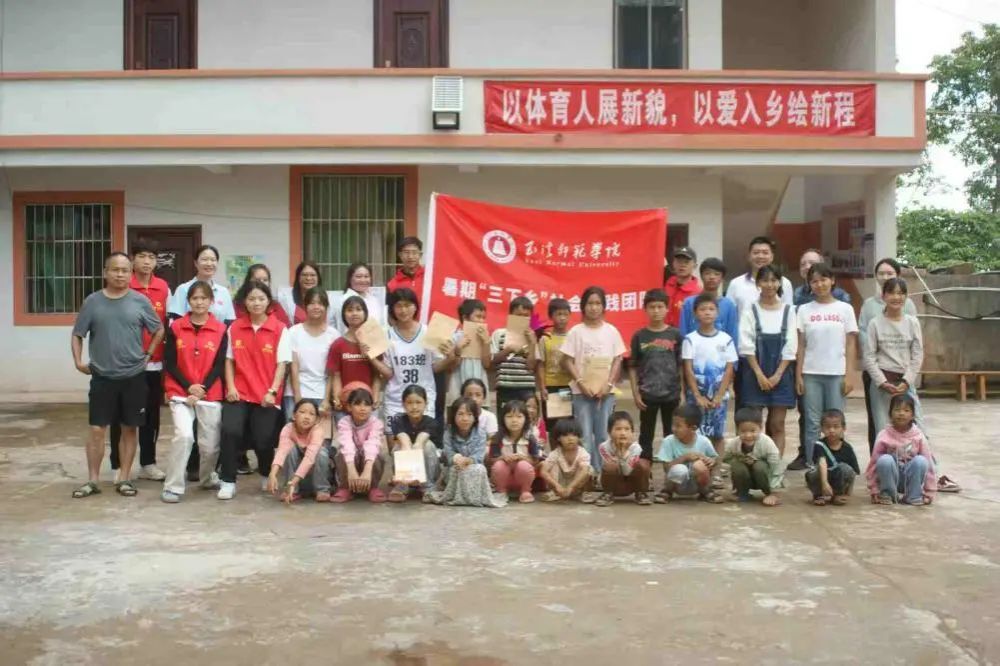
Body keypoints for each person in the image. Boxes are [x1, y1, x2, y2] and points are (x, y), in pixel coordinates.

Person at [70, 253, 165, 499]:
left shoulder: (140, 301)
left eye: (125, 270)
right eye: (115, 270)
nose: (120, 274)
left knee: (129, 429)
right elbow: (78, 334)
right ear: (105, 272)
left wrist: (148, 355)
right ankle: (93, 480)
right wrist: (78, 362)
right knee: (97, 429)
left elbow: (158, 329)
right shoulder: (92, 301)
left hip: (134, 376)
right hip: (102, 376)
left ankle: (124, 478)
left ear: (130, 273)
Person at [217, 281, 290, 500]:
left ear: (268, 301)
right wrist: (230, 387)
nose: (256, 303)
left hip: (266, 394)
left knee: (263, 438)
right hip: (239, 392)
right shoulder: (235, 328)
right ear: (244, 302)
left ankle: (266, 473)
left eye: (261, 298)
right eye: (251, 299)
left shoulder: (279, 328)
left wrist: (272, 391)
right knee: (230, 431)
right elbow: (229, 360)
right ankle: (227, 480)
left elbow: (282, 364)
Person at [108, 242, 171, 482]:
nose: (146, 261)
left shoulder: (163, 287)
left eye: (151, 257)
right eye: (142, 256)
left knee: (150, 416)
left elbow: (167, 325)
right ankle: (117, 464)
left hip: (153, 363)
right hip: (124, 364)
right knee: (120, 415)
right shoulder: (123, 284)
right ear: (133, 259)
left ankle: (148, 463)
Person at [160, 281, 226, 503]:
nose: (199, 302)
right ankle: (173, 486)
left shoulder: (221, 329)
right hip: (180, 391)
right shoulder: (176, 327)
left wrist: (202, 388)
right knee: (184, 436)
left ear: (211, 301)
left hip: (210, 392)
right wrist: (189, 386)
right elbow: (170, 362)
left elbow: (219, 364)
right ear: (188, 301)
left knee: (210, 444)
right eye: (195, 298)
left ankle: (207, 478)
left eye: (203, 298)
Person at [795, 263, 858, 471]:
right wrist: (798, 375)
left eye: (823, 279)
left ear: (832, 280)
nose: (819, 284)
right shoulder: (804, 310)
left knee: (835, 421)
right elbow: (800, 345)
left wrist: (850, 375)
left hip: (836, 373)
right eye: (814, 281)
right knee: (812, 422)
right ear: (809, 285)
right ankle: (813, 465)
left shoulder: (845, 309)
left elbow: (851, 344)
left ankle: (836, 465)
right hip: (811, 374)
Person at [560, 286, 626, 476]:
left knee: (604, 434)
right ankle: (587, 475)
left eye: (598, 303)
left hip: (605, 393)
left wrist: (609, 384)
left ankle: (604, 474)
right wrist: (580, 382)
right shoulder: (576, 332)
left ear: (604, 306)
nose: (594, 307)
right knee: (585, 435)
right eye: (590, 303)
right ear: (583, 306)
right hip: (581, 392)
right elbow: (567, 360)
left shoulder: (611, 331)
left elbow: (618, 359)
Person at [737, 265, 797, 457]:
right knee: (753, 424)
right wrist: (759, 374)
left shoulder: (789, 311)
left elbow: (791, 346)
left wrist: (778, 375)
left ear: (780, 283)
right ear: (758, 283)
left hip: (782, 372)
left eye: (773, 280)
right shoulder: (750, 310)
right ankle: (753, 464)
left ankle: (775, 467)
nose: (769, 284)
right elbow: (746, 345)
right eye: (765, 280)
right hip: (754, 372)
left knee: (777, 424)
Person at [858, 258, 917, 449]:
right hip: (877, 373)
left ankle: (912, 460)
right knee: (879, 422)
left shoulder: (909, 308)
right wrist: (879, 376)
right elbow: (864, 339)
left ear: (898, 275)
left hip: (904, 375)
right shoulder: (869, 307)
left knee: (912, 421)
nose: (885, 277)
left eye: (890, 273)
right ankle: (879, 461)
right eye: (881, 273)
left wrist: (907, 378)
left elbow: (915, 348)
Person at [863, 278, 925, 436]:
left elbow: (917, 354)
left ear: (906, 297)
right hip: (882, 384)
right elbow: (869, 356)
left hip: (905, 382)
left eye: (900, 293)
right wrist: (882, 382)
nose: (896, 297)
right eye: (891, 293)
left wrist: (907, 381)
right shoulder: (875, 323)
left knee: (918, 430)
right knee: (883, 431)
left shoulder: (912, 323)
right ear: (883, 296)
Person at [629, 288, 684, 463]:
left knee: (672, 433)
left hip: (672, 393)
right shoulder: (639, 336)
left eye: (660, 306)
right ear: (645, 309)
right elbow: (632, 367)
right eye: (652, 307)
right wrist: (636, 393)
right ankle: (645, 471)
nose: (656, 311)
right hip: (647, 394)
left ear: (667, 309)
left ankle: (673, 469)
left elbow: (681, 365)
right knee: (646, 435)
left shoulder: (675, 334)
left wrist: (682, 392)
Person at [682, 293, 737, 454]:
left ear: (717, 313)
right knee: (695, 432)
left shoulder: (726, 339)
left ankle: (716, 466)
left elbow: (729, 368)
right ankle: (696, 465)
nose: (707, 312)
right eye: (703, 309)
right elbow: (688, 368)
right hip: (696, 397)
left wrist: (719, 395)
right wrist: (698, 396)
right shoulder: (690, 339)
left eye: (711, 309)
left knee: (717, 434)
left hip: (719, 397)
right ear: (695, 313)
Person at [383, 288, 450, 418]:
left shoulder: (428, 331)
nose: (403, 310)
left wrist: (452, 356)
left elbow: (436, 367)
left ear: (415, 307)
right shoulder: (386, 335)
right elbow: (388, 372)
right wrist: (371, 357)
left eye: (407, 305)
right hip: (396, 400)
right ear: (392, 309)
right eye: (398, 306)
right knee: (395, 432)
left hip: (423, 399)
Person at [429, 397, 508, 507]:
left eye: (469, 414)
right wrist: (457, 458)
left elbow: (479, 456)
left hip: (474, 466)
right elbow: (448, 453)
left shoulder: (481, 433)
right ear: (454, 416)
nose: (465, 418)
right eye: (460, 414)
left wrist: (468, 460)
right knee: (455, 470)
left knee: (480, 469)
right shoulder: (448, 433)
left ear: (475, 417)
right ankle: (458, 497)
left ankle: (475, 498)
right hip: (455, 467)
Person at [326, 295, 390, 417]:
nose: (354, 313)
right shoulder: (338, 344)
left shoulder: (373, 342)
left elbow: (377, 374)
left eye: (358, 309)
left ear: (365, 313)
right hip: (345, 404)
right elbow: (336, 375)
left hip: (368, 403)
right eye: (350, 310)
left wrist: (375, 395)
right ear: (344, 315)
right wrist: (337, 398)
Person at [867, 394, 936, 506]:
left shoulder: (918, 436)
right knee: (884, 460)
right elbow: (874, 464)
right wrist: (874, 489)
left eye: (906, 410)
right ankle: (888, 494)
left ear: (913, 415)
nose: (901, 413)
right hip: (890, 477)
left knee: (921, 461)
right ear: (890, 414)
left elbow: (929, 465)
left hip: (911, 478)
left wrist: (929, 492)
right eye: (897, 410)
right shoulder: (884, 435)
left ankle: (913, 496)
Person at [284, 287, 339, 417]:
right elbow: (293, 367)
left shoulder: (334, 335)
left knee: (321, 430)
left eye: (320, 303)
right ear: (305, 306)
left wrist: (327, 399)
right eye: (312, 303)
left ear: (326, 307)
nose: (316, 307)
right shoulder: (293, 332)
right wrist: (298, 399)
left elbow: (332, 372)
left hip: (321, 395)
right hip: (294, 394)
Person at [268, 399, 332, 503]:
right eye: (302, 412)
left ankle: (322, 489)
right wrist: (273, 473)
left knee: (321, 453)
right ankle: (292, 490)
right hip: (297, 479)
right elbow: (282, 452)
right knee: (289, 450)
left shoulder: (318, 430)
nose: (307, 417)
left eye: (311, 414)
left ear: (316, 420)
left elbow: (310, 458)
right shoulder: (288, 428)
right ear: (294, 415)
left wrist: (294, 481)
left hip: (313, 475)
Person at [655, 404, 722, 503]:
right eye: (673, 425)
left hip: (696, 484)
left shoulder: (704, 441)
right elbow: (666, 468)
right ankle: (667, 491)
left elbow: (715, 460)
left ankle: (705, 491)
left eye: (678, 426)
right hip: (677, 484)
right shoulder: (668, 441)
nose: (673, 429)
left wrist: (710, 461)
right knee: (679, 469)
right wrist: (684, 458)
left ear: (693, 428)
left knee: (699, 466)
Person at [385, 385, 441, 503]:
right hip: (407, 470)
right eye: (409, 403)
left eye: (418, 402)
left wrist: (417, 472)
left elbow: (420, 442)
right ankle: (402, 486)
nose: (414, 407)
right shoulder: (398, 421)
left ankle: (427, 486)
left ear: (426, 403)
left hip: (427, 470)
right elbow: (404, 441)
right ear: (403, 404)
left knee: (428, 445)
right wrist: (408, 475)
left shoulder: (431, 422)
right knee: (398, 447)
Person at [332, 386, 387, 503]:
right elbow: (347, 444)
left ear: (372, 407)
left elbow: (372, 445)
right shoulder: (344, 422)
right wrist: (351, 470)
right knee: (342, 452)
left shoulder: (376, 423)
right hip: (351, 466)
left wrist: (367, 471)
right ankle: (345, 488)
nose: (362, 409)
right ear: (349, 407)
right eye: (357, 404)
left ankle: (372, 487)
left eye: (367, 404)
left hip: (367, 467)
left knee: (377, 454)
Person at [722, 408, 783, 506]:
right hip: (747, 476)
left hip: (764, 477)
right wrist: (740, 459)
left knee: (759, 466)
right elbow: (724, 459)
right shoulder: (733, 444)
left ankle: (770, 494)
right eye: (743, 431)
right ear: (737, 430)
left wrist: (775, 492)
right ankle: (742, 493)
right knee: (736, 465)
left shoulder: (767, 443)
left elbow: (776, 467)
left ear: (761, 428)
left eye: (753, 431)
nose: (748, 435)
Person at [486, 400, 543, 503]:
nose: (514, 420)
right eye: (509, 416)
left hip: (523, 478)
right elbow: (491, 460)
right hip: (504, 478)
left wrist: (523, 458)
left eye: (519, 416)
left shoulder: (530, 438)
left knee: (523, 465)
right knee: (499, 465)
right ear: (503, 419)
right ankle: (501, 491)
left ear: (526, 419)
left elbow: (536, 461)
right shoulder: (498, 438)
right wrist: (503, 458)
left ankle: (525, 491)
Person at [491, 296, 541, 409]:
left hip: (527, 387)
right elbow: (492, 361)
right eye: (518, 315)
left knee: (527, 417)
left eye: (526, 316)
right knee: (506, 417)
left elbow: (531, 366)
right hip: (505, 387)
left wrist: (532, 344)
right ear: (510, 315)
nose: (522, 319)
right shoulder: (499, 334)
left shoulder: (532, 336)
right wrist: (508, 349)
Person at [725, 236, 794, 317]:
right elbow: (728, 315)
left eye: (765, 253)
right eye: (756, 252)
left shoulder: (784, 283)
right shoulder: (736, 284)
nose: (760, 256)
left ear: (772, 257)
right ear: (749, 256)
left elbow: (789, 314)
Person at [594, 412, 652, 506]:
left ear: (632, 432)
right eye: (618, 429)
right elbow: (610, 469)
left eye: (627, 429)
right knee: (610, 466)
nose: (623, 433)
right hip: (613, 484)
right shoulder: (603, 447)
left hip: (631, 484)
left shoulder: (636, 448)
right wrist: (618, 452)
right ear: (609, 432)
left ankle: (641, 493)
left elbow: (627, 472)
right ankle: (608, 494)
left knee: (643, 464)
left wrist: (624, 452)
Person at [167, 244, 236, 324]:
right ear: (196, 263)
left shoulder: (223, 292)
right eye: (204, 259)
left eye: (213, 260)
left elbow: (229, 322)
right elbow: (176, 321)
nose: (209, 263)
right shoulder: (183, 289)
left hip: (219, 332)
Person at [805, 409, 860, 506]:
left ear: (843, 428)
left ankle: (838, 494)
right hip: (823, 478)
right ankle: (819, 495)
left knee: (845, 468)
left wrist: (848, 493)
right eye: (827, 427)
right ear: (822, 429)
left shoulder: (847, 448)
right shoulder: (819, 444)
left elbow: (854, 472)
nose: (831, 430)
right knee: (813, 473)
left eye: (836, 427)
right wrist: (825, 483)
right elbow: (822, 462)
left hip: (839, 480)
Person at [444, 298, 492, 405]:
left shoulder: (485, 338)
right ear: (465, 318)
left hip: (480, 389)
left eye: (483, 317)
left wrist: (486, 343)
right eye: (478, 316)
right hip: (458, 387)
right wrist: (458, 350)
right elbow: (451, 368)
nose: (481, 321)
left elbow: (487, 364)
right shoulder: (455, 337)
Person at [679, 257, 738, 341]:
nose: (712, 277)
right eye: (707, 273)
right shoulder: (689, 303)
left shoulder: (729, 305)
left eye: (716, 274)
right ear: (701, 276)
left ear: (722, 278)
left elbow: (733, 335)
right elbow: (683, 333)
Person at [537, 298, 573, 432]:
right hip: (551, 387)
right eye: (559, 314)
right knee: (553, 427)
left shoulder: (573, 337)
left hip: (568, 386)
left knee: (567, 426)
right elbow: (541, 364)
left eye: (565, 314)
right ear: (551, 316)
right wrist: (542, 387)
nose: (562, 318)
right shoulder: (545, 338)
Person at [539, 418, 592, 502]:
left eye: (574, 435)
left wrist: (571, 487)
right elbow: (543, 471)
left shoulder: (582, 453)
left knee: (589, 470)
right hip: (559, 485)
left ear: (579, 437)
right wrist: (557, 486)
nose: (570, 438)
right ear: (558, 438)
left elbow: (584, 471)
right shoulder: (555, 453)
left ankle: (578, 493)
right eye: (565, 435)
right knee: (547, 464)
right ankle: (555, 493)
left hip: (576, 485)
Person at [663, 246, 702, 328]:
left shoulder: (698, 293)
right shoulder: (666, 284)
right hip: (663, 333)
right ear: (673, 263)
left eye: (686, 262)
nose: (682, 265)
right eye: (679, 261)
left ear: (695, 266)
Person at [340, 261, 385, 331]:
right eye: (358, 277)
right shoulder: (344, 300)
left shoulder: (374, 300)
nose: (363, 280)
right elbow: (343, 328)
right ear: (350, 279)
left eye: (366, 276)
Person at [277, 261, 323, 326]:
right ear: (298, 277)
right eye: (304, 275)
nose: (308, 278)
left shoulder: (325, 299)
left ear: (318, 278)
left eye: (312, 275)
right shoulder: (286, 299)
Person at [387, 237, 426, 308]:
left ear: (420, 255)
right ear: (400, 255)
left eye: (414, 252)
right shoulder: (392, 284)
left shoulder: (430, 278)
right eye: (406, 252)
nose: (410, 256)